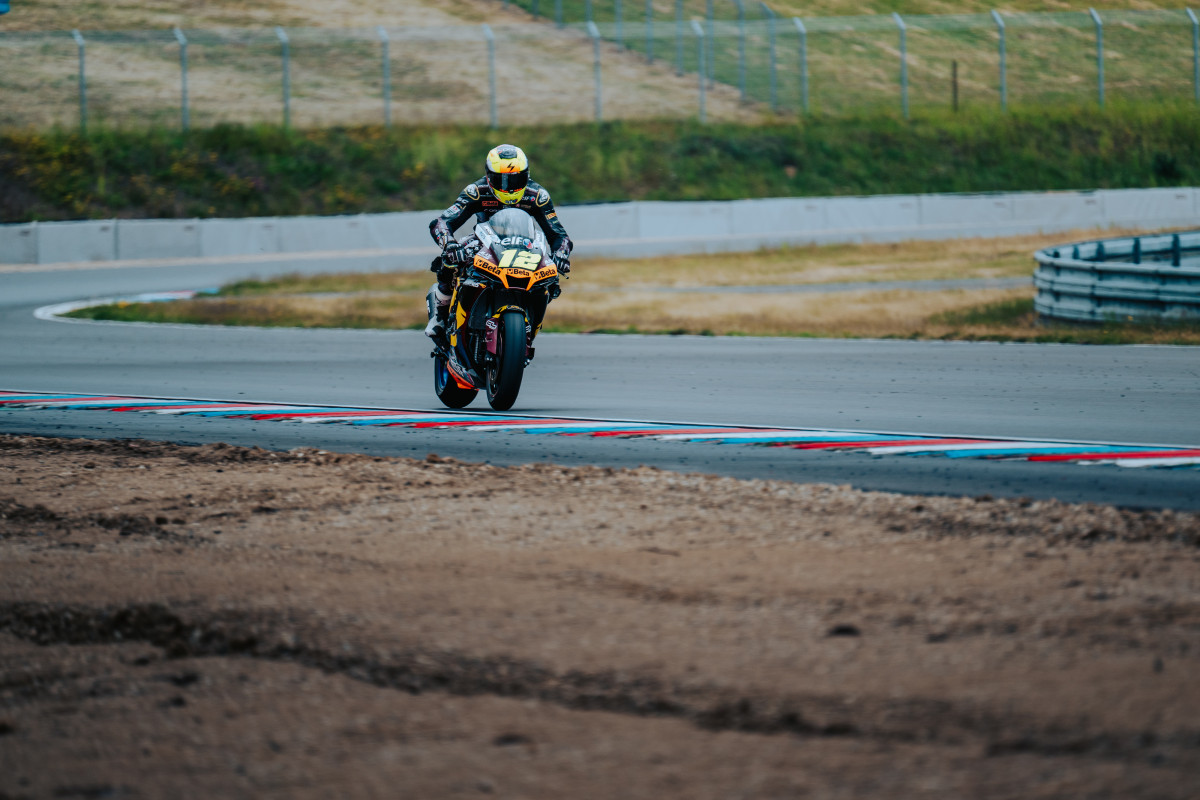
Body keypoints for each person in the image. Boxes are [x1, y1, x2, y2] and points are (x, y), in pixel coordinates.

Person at [425, 144, 573, 338]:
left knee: (550, 278)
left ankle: (528, 325)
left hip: (524, 245)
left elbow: (559, 235)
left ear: (527, 175)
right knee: (450, 260)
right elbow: (442, 222)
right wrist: (449, 244)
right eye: (501, 180)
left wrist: (561, 254)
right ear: (488, 176)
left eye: (516, 180)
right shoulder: (476, 191)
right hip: (483, 242)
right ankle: (440, 315)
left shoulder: (538, 196)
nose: (509, 188)